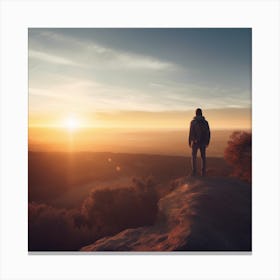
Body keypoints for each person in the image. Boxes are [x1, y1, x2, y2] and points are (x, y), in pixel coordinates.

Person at [188, 108, 211, 176]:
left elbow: (191, 132)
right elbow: (208, 132)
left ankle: (194, 171)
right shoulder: (205, 122)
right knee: (203, 157)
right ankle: (203, 172)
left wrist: (189, 141)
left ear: (196, 113)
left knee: (194, 157)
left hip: (195, 142)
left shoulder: (193, 122)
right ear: (201, 113)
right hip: (203, 142)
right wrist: (207, 141)